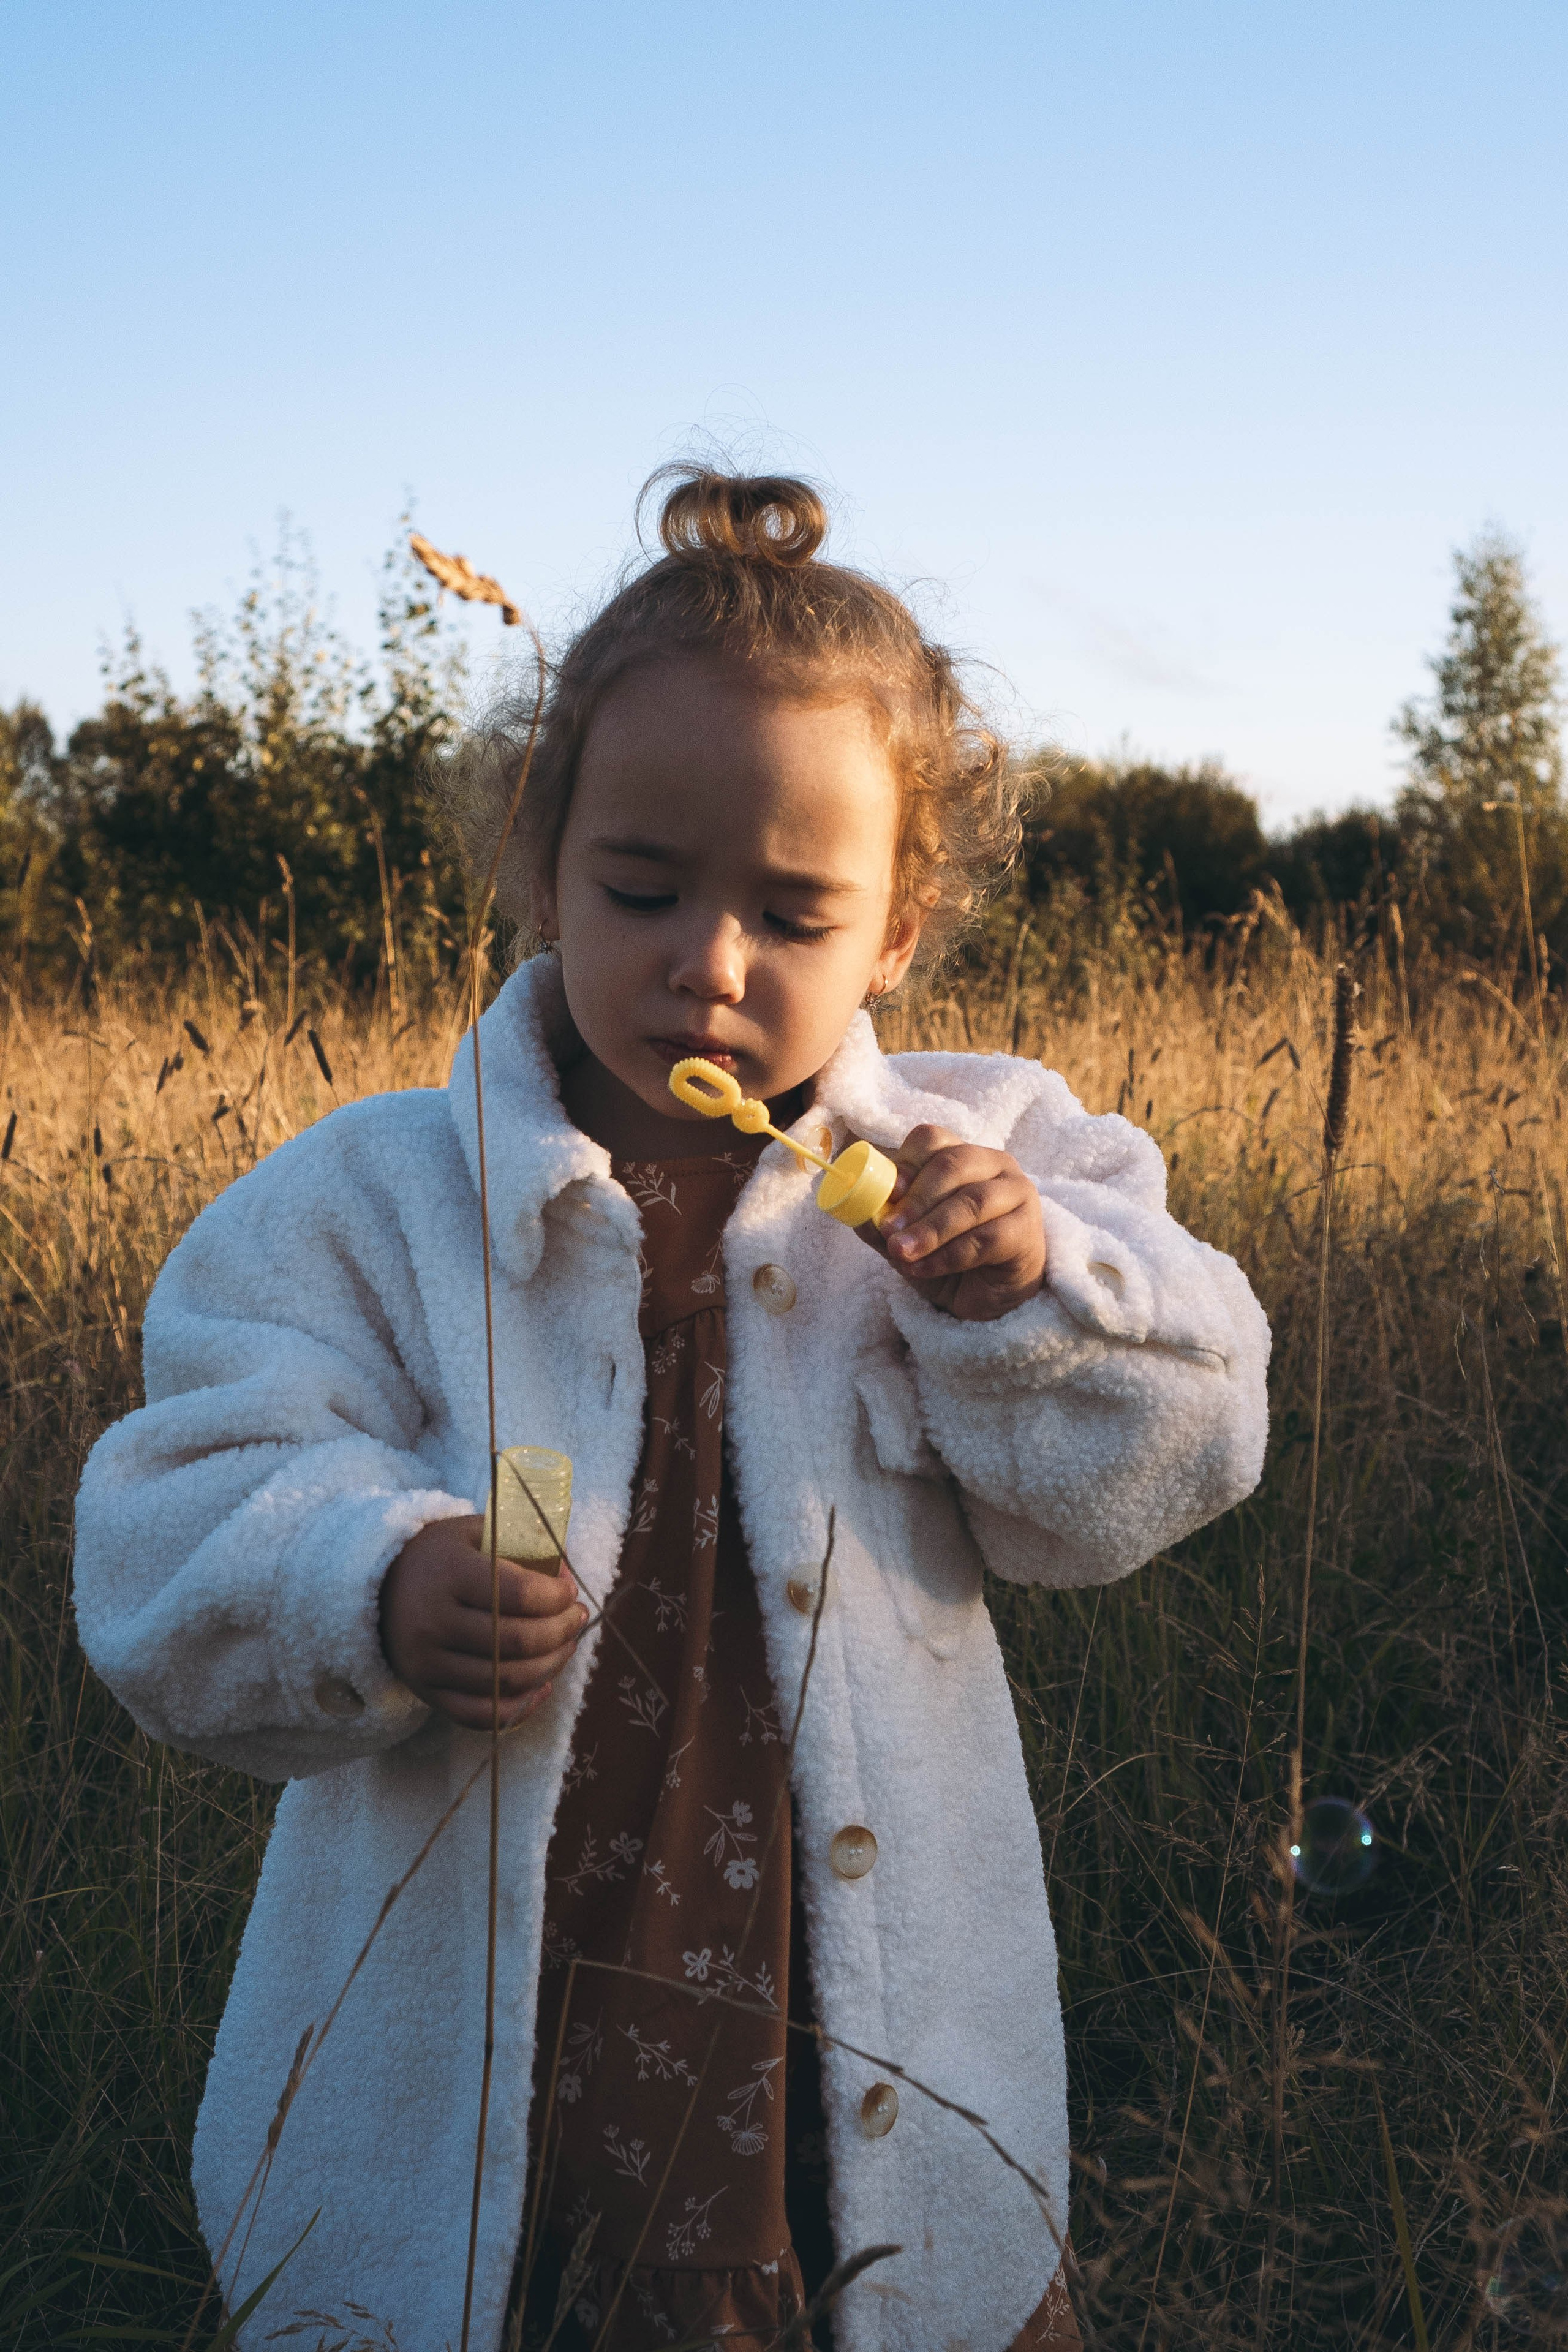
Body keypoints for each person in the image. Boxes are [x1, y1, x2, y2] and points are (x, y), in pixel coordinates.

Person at [73, 469, 1271, 2352]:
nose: (711, 962)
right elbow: (165, 1520)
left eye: (795, 914)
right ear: (545, 855)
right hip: (513, 2009)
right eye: (644, 887)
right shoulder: (378, 1205)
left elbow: (1175, 1458)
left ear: (899, 930)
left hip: (836, 1998)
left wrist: (1032, 1293)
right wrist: (369, 1580)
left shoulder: (987, 1161)